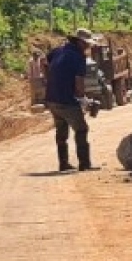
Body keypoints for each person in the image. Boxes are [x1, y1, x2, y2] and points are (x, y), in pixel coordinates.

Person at [44, 28, 97, 172]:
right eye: (86, 44)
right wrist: (83, 99)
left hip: (52, 98)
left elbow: (44, 61)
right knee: (81, 129)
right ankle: (84, 164)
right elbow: (79, 83)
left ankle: (63, 163)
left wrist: (51, 79)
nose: (88, 47)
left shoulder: (57, 51)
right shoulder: (78, 57)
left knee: (61, 132)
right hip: (66, 100)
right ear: (80, 42)